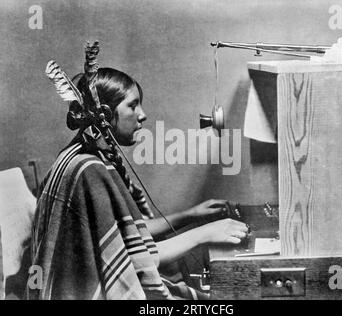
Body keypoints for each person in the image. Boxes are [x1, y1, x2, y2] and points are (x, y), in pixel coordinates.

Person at [27, 43, 248, 300]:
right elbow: (135, 262)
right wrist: (204, 233)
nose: (142, 115)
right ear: (106, 115)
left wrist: (189, 215)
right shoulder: (89, 170)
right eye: (133, 106)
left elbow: (126, 233)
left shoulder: (81, 154)